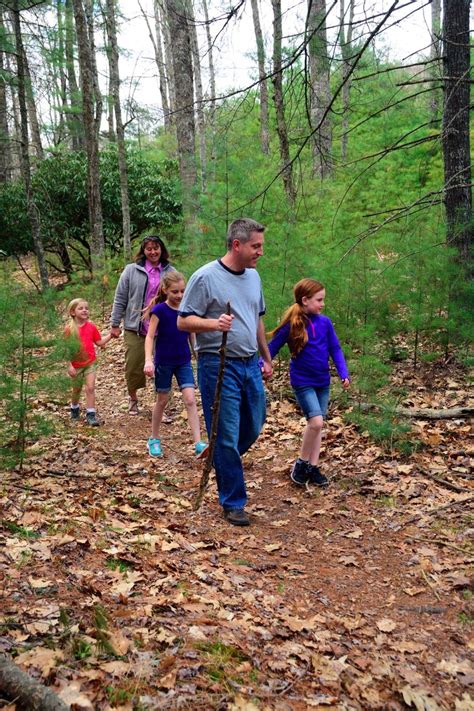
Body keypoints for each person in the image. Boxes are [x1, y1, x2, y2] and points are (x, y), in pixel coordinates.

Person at [177, 218, 273, 527]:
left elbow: (256, 318)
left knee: (256, 422)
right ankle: (233, 502)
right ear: (237, 244)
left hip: (249, 364)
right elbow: (183, 321)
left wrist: (266, 356)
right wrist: (213, 324)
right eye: (255, 246)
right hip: (217, 365)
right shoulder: (205, 277)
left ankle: (220, 456)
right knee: (227, 433)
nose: (260, 252)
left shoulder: (254, 278)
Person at [267, 278, 350, 487]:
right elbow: (273, 346)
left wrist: (343, 372)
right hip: (302, 381)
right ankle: (301, 464)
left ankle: (313, 467)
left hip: (323, 381)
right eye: (319, 300)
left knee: (318, 426)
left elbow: (335, 348)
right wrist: (263, 363)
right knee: (316, 422)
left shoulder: (325, 322)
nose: (322, 304)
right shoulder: (292, 324)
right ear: (305, 300)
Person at [143, 271, 208, 459]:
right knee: (162, 400)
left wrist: (198, 355)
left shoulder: (187, 309)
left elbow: (192, 334)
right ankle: (154, 439)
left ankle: (198, 443)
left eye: (182, 291)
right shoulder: (159, 311)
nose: (179, 295)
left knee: (190, 399)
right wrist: (149, 360)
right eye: (175, 292)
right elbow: (149, 336)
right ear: (165, 290)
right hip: (164, 361)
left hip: (184, 361)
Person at [110, 235, 175, 414]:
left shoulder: (169, 271)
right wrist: (115, 323)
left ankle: (163, 405)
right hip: (136, 326)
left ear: (161, 249)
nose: (153, 252)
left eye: (156, 248)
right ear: (143, 251)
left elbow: (178, 297)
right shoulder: (132, 270)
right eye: (149, 249)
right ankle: (133, 399)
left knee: (163, 366)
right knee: (133, 366)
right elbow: (120, 297)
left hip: (162, 327)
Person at [65, 299, 111, 426]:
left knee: (90, 388)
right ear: (73, 312)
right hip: (76, 365)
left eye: (86, 308)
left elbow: (99, 342)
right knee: (77, 389)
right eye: (81, 308)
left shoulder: (91, 327)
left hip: (90, 363)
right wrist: (69, 366)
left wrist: (111, 335)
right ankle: (74, 407)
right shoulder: (69, 329)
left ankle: (91, 414)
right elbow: (65, 350)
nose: (85, 310)